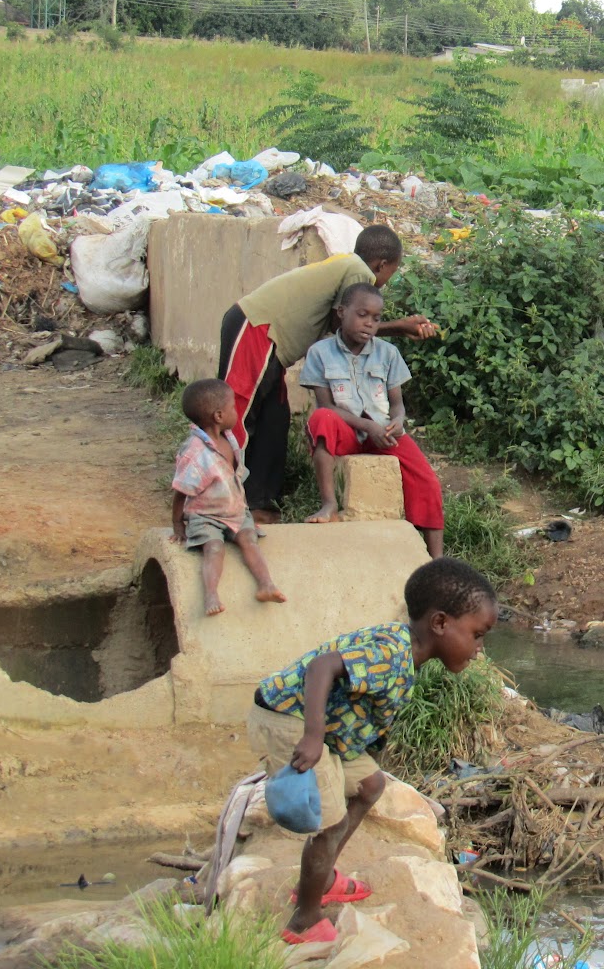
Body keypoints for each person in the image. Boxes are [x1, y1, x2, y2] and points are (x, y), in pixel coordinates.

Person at [247, 557, 498, 945]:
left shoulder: (406, 652)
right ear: (440, 623)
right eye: (478, 634)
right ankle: (304, 919)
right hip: (290, 719)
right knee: (327, 822)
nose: (479, 648)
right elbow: (322, 667)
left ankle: (325, 879)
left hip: (329, 729)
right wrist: (313, 736)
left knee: (369, 784)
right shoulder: (391, 656)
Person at [218, 225, 438, 524]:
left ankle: (259, 503)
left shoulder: (347, 264)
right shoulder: (359, 272)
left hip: (272, 341)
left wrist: (398, 327)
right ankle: (218, 498)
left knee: (274, 418)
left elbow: (340, 330)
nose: (385, 282)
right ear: (382, 265)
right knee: (236, 413)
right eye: (392, 273)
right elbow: (343, 329)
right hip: (257, 327)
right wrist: (399, 327)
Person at [300, 282, 445, 556]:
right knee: (322, 419)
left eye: (376, 319)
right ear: (342, 312)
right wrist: (366, 425)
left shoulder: (388, 354)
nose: (369, 324)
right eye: (362, 315)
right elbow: (327, 405)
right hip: (347, 432)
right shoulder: (320, 352)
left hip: (384, 432)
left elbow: (397, 405)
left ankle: (436, 559)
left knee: (427, 480)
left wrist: (398, 421)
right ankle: (329, 504)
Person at [170, 378, 286, 616]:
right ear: (219, 416)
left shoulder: (229, 438)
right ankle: (211, 593)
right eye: (233, 407)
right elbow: (181, 490)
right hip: (206, 516)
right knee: (213, 548)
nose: (237, 411)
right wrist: (177, 523)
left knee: (249, 541)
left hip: (235, 511)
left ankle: (266, 584)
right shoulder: (195, 452)